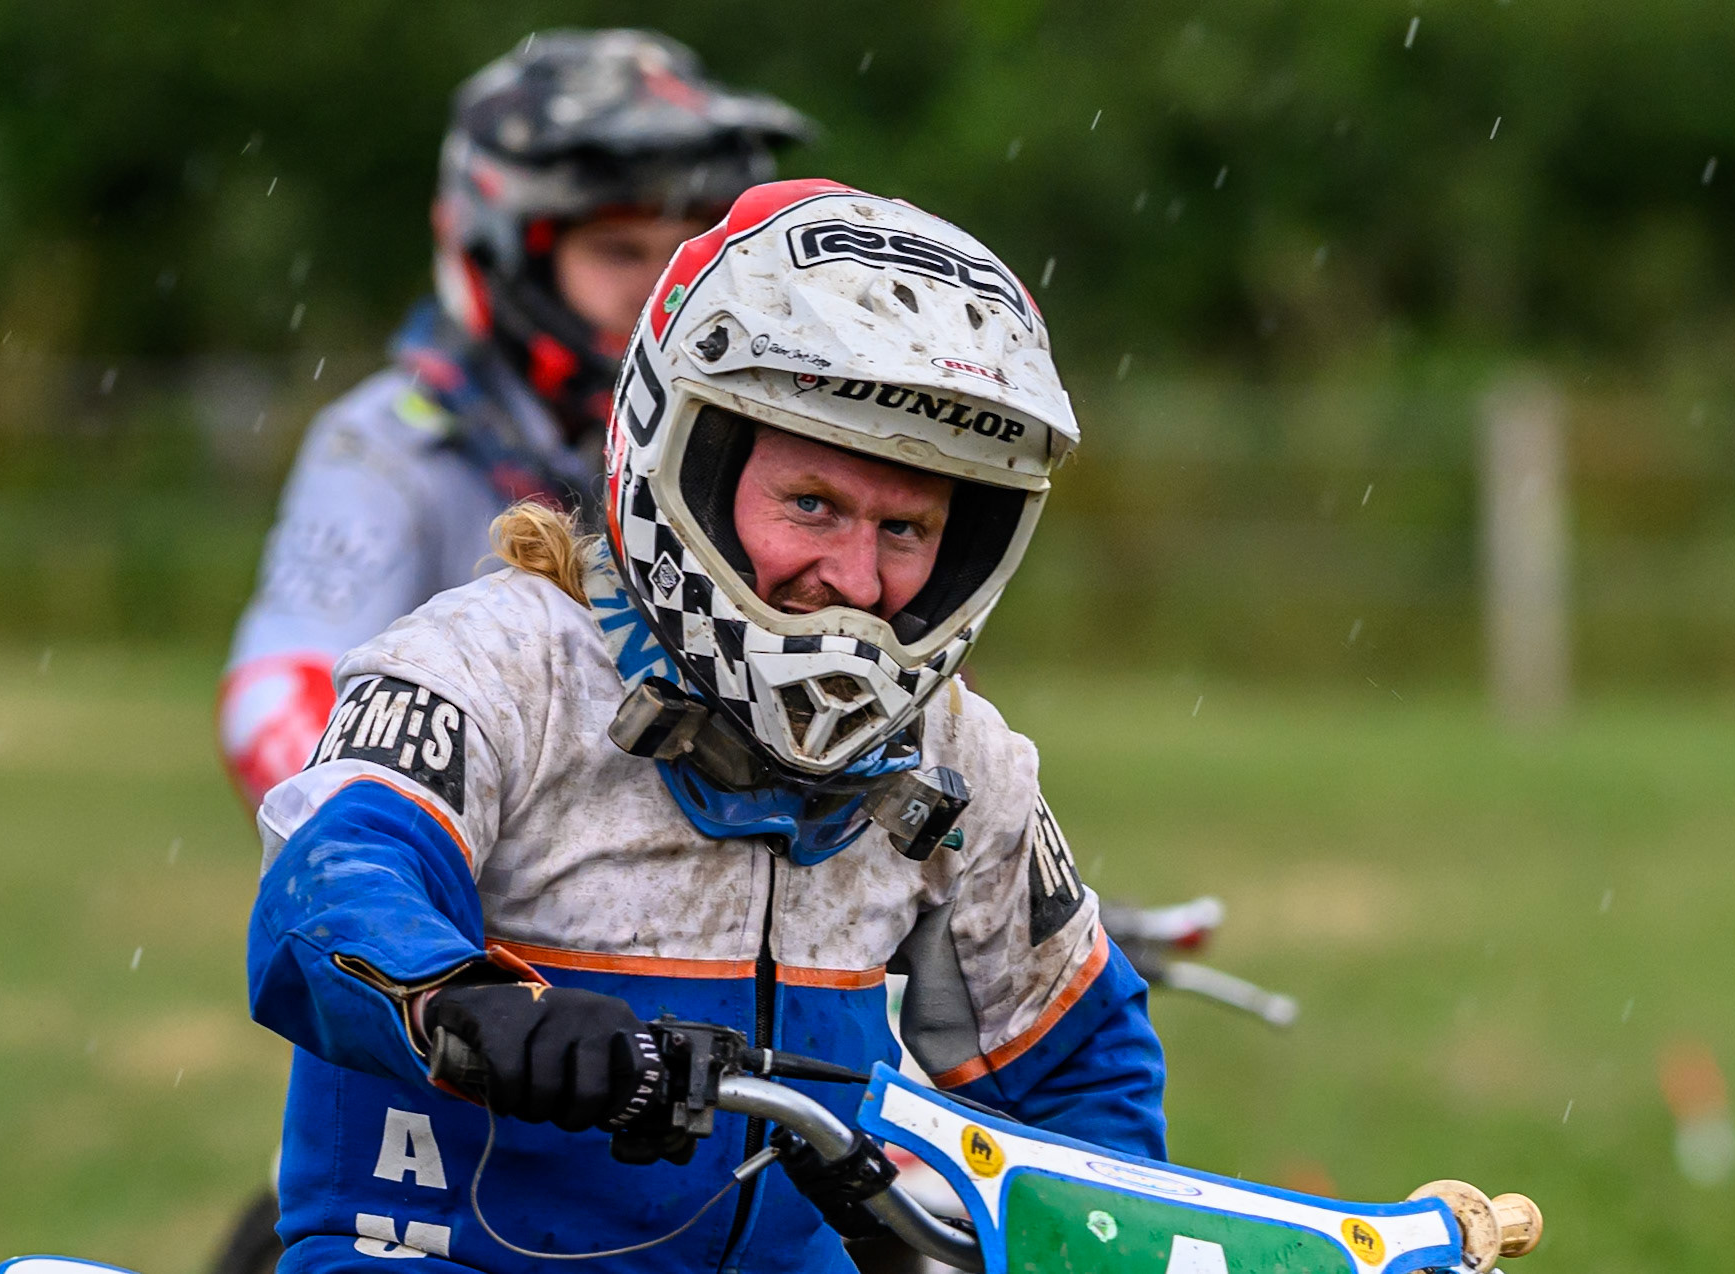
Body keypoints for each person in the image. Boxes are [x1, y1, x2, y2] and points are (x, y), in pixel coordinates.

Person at [247, 179, 1167, 1273]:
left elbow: (1086, 1083)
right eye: (813, 504)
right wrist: (479, 1008)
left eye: (911, 527)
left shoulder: (959, 760)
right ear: (686, 459)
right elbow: (328, 896)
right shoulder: (490, 664)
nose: (856, 580)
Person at [218, 29, 812, 808]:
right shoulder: (392, 443)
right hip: (488, 873)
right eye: (620, 251)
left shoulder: (777, 437)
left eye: (693, 252)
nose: (665, 287)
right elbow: (275, 693)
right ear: (508, 256)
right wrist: (395, 839)